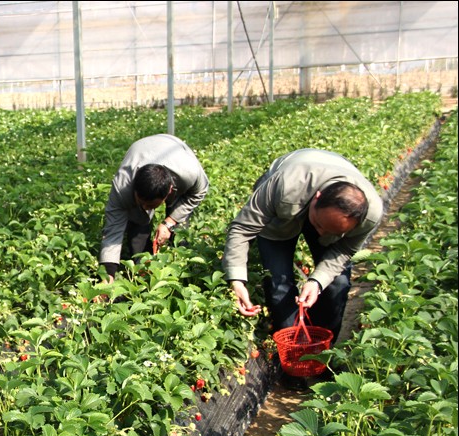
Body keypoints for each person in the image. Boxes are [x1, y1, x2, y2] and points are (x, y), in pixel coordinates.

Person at [222, 148, 383, 344]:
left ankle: (321, 348)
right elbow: (243, 228)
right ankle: (292, 346)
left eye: (331, 231)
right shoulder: (285, 185)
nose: (320, 234)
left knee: (337, 284)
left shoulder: (370, 215)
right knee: (279, 285)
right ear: (316, 198)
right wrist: (237, 280)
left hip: (321, 200)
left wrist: (317, 282)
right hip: (288, 199)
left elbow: (345, 250)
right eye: (319, 225)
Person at [99, 134, 210, 281]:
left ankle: (182, 269)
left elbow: (199, 192)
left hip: (175, 149)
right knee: (137, 223)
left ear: (169, 192)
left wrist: (169, 222)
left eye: (151, 205)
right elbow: (113, 230)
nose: (146, 207)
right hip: (141, 149)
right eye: (141, 202)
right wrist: (108, 276)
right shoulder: (122, 187)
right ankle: (142, 270)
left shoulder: (189, 174)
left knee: (179, 228)